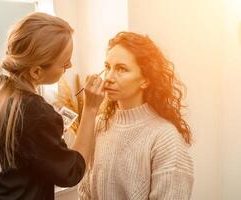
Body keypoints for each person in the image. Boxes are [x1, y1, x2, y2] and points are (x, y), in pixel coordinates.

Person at [0, 12, 105, 200]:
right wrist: (91, 109)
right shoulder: (33, 112)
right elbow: (71, 172)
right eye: (65, 63)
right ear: (36, 71)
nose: (69, 66)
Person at [78, 32, 194, 200]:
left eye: (121, 69)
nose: (108, 78)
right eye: (107, 67)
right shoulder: (98, 125)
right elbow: (85, 192)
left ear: (145, 80)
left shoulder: (165, 138)